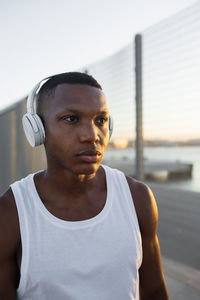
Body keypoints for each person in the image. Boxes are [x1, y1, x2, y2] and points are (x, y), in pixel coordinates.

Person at [0, 72, 169, 300]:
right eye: (71, 119)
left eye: (101, 120)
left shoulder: (137, 197)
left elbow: (155, 292)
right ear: (37, 130)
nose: (92, 136)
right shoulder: (11, 213)